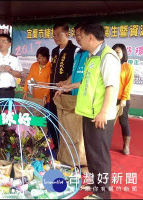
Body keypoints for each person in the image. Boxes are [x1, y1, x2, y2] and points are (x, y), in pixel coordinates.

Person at [62, 22, 121, 199]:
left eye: (81, 36)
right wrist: (68, 86)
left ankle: (102, 194)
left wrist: (103, 112)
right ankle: (97, 184)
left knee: (99, 156)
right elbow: (85, 82)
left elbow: (111, 87)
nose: (78, 40)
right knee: (91, 154)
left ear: (90, 37)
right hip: (89, 113)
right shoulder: (91, 56)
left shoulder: (107, 57)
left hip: (100, 115)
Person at [49, 23, 77, 152]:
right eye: (54, 35)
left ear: (67, 34)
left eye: (58, 34)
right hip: (53, 91)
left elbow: (75, 72)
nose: (56, 38)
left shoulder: (75, 50)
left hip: (66, 93)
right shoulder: (54, 51)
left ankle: (66, 150)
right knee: (52, 119)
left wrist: (66, 83)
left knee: (64, 121)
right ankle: (56, 146)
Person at [112, 43, 134, 155]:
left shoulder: (128, 67)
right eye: (114, 51)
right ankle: (105, 143)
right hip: (110, 98)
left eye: (118, 52)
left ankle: (126, 146)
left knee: (123, 122)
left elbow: (128, 85)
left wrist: (124, 99)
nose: (116, 53)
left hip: (122, 99)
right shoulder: (109, 65)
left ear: (123, 53)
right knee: (109, 122)